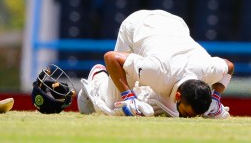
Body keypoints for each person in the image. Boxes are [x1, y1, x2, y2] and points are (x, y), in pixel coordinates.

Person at [77, 10, 234, 118]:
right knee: (114, 104)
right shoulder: (157, 71)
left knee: (170, 110)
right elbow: (111, 58)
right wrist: (128, 96)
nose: (187, 119)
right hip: (137, 25)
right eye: (187, 114)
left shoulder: (209, 70)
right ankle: (98, 78)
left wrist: (216, 98)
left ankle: (141, 94)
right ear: (178, 95)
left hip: (174, 23)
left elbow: (229, 66)